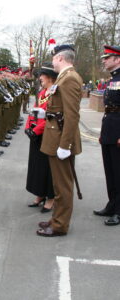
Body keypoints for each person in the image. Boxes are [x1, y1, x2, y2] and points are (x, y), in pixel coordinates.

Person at [37, 45, 83, 237]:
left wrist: (65, 145)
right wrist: (45, 113)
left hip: (61, 140)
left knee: (63, 186)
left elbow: (72, 115)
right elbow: (60, 109)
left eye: (54, 58)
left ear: (61, 59)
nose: (52, 61)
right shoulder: (65, 77)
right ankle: (57, 219)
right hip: (55, 136)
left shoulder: (70, 78)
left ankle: (60, 225)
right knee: (58, 185)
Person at [93, 45, 120, 226]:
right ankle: (112, 205)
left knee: (118, 172)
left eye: (107, 57)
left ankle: (119, 211)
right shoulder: (113, 79)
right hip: (110, 128)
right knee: (110, 171)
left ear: (117, 59)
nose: (104, 60)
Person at [25, 63, 57, 213]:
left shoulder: (54, 92)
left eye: (42, 75)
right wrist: (28, 127)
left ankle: (50, 198)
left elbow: (51, 116)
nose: (39, 78)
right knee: (37, 166)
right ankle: (40, 194)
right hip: (37, 135)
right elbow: (35, 111)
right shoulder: (42, 92)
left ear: (50, 77)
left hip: (47, 134)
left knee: (47, 167)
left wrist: (36, 130)